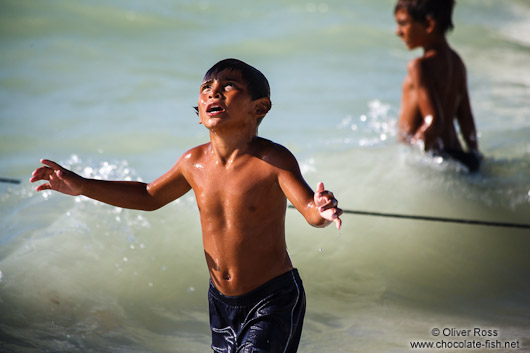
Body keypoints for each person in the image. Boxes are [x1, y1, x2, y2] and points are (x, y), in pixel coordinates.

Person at [30, 58, 342, 353]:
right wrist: (83, 186)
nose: (213, 91)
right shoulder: (193, 162)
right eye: (206, 88)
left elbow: (310, 213)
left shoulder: (272, 160)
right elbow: (149, 196)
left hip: (272, 298)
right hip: (222, 303)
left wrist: (322, 210)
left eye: (229, 85)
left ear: (259, 107)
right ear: (200, 108)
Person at [394, 0, 482, 172]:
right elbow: (467, 120)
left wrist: (411, 153)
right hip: (460, 157)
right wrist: (475, 153)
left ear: (429, 24)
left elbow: (434, 122)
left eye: (403, 23)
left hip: (436, 159)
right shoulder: (457, 63)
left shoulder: (419, 66)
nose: (398, 32)